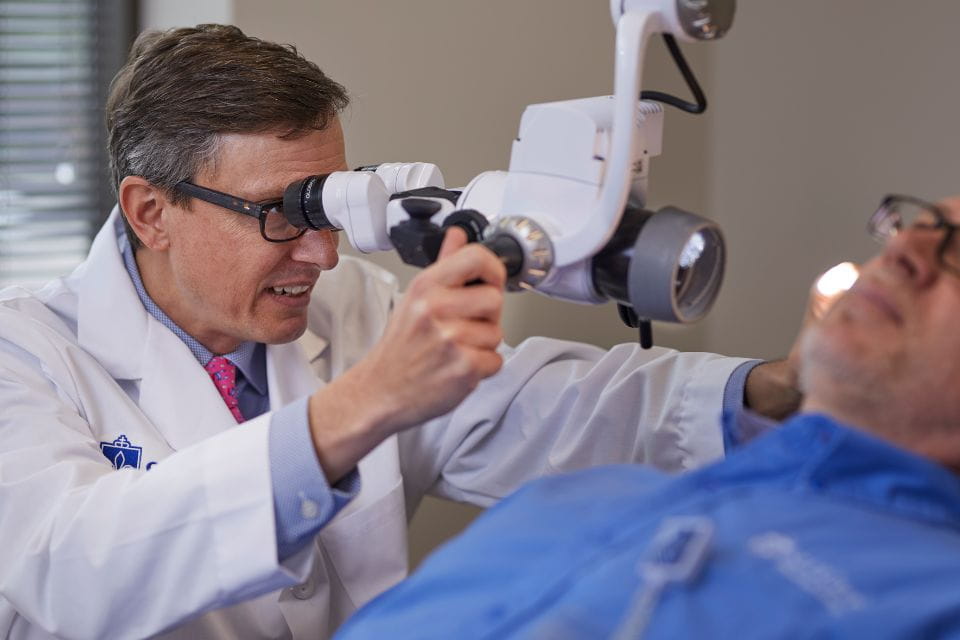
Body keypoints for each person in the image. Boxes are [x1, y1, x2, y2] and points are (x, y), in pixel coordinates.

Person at [0, 24, 797, 640]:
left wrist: (774, 395)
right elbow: (75, 568)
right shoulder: (24, 355)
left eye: (325, 204)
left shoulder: (348, 305)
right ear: (151, 212)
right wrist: (366, 403)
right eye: (282, 214)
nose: (323, 251)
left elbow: (546, 410)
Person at [334, 194, 960, 640]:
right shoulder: (585, 497)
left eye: (956, 252)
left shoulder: (928, 599)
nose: (905, 246)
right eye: (918, 221)